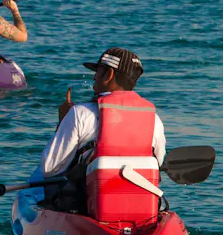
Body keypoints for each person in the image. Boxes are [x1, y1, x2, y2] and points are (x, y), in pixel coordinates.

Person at [28, 48, 165, 213]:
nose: (94, 76)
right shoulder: (154, 119)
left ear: (109, 75)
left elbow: (50, 169)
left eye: (97, 71)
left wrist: (62, 121)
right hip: (137, 208)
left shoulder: (80, 113)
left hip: (85, 207)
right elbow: (158, 165)